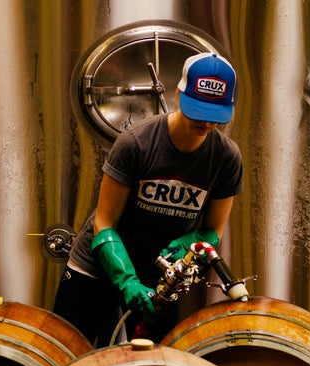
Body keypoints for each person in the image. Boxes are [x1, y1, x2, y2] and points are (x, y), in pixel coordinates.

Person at [54, 52, 243, 347]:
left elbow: (213, 230)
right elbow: (104, 223)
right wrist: (126, 281)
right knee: (66, 353)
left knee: (155, 364)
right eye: (198, 110)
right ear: (180, 95)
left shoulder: (226, 157)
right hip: (96, 268)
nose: (206, 124)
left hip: (161, 278)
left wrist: (190, 242)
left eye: (214, 116)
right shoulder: (137, 143)